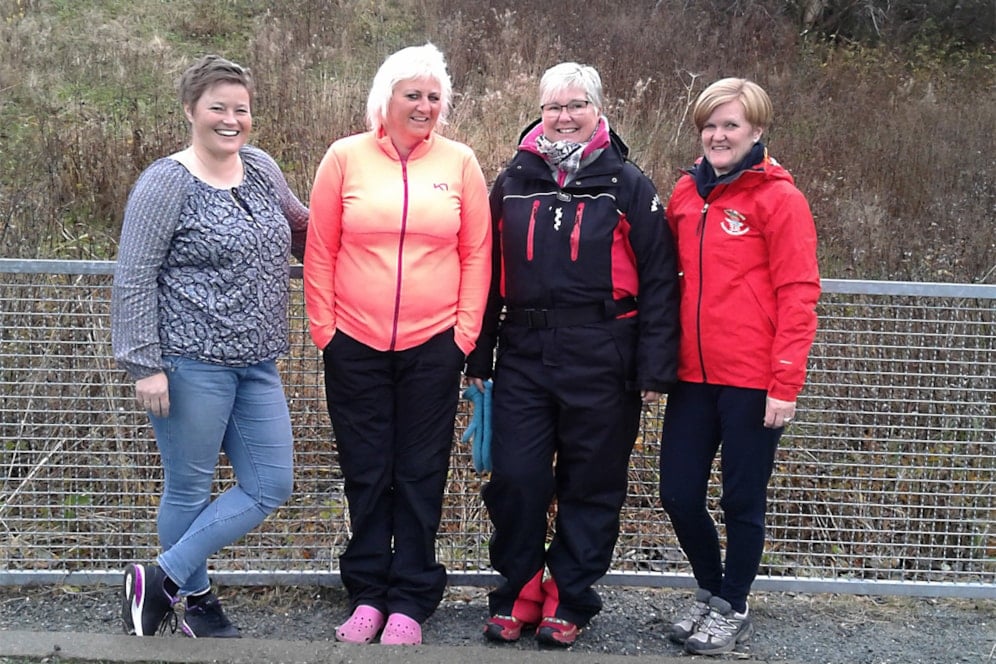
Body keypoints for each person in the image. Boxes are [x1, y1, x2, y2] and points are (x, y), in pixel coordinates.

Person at [465, 62, 680, 648]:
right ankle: (518, 592)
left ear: (597, 110)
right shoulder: (512, 180)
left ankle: (569, 598)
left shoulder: (628, 183)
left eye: (576, 105)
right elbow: (484, 273)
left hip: (605, 353)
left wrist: (655, 367)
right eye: (554, 106)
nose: (564, 116)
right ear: (540, 111)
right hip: (525, 353)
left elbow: (661, 278)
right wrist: (478, 357)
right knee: (516, 477)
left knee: (592, 481)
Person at [111, 54, 308, 638]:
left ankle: (159, 577)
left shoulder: (262, 167)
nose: (230, 119)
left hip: (258, 361)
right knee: (190, 488)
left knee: (271, 482)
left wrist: (381, 228)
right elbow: (134, 274)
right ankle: (195, 604)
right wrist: (144, 364)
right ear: (192, 111)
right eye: (217, 107)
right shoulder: (166, 181)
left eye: (240, 109)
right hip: (188, 362)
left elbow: (303, 227)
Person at [302, 43, 491, 646]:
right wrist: (325, 331)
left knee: (420, 471)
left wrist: (463, 335)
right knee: (366, 469)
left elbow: (477, 253)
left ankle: (410, 596)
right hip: (352, 342)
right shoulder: (344, 157)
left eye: (435, 97)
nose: (426, 106)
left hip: (434, 344)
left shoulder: (460, 162)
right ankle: (366, 593)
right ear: (384, 98)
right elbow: (321, 249)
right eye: (414, 94)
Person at [658, 77, 820, 656]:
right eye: (710, 125)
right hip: (691, 377)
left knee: (741, 501)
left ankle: (733, 604)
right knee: (677, 492)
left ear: (756, 131)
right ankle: (711, 589)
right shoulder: (684, 193)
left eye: (731, 125)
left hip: (753, 380)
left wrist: (785, 383)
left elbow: (799, 293)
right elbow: (661, 282)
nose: (718, 135)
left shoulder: (780, 199)